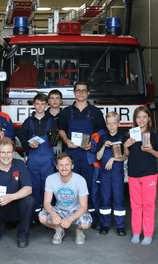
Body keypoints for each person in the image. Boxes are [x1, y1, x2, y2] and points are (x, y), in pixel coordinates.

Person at [58, 81, 106, 229]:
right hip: (70, 154)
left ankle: (91, 216)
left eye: (84, 91)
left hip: (87, 156)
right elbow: (60, 129)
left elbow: (102, 132)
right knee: (69, 185)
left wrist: (93, 144)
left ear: (88, 93)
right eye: (78, 90)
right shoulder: (66, 112)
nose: (81, 93)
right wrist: (66, 140)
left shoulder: (95, 112)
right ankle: (69, 215)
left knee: (89, 186)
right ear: (74, 92)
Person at [0, 137, 36, 248]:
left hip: (15, 206)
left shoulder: (20, 164)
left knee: (30, 200)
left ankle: (22, 236)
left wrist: (11, 197)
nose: (6, 156)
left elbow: (28, 188)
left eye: (9, 152)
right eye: (3, 152)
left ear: (13, 152)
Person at [124, 106, 158, 246]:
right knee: (135, 205)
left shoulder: (153, 136)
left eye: (144, 117)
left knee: (148, 205)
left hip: (149, 174)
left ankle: (148, 234)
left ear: (149, 119)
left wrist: (151, 150)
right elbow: (126, 155)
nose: (141, 119)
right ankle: (136, 232)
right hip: (133, 174)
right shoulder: (131, 135)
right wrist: (125, 146)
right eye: (138, 117)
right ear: (135, 119)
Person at [18, 93, 57, 219]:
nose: (40, 106)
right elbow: (22, 136)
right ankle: (34, 216)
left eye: (43, 104)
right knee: (34, 186)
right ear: (34, 105)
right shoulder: (28, 122)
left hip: (48, 159)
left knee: (48, 186)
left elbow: (55, 141)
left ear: (47, 105)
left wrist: (52, 138)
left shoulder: (51, 121)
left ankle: (48, 215)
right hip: (33, 158)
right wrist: (28, 145)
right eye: (38, 103)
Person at [39, 152, 92, 245]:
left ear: (72, 166)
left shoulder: (80, 180)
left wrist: (70, 219)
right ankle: (59, 229)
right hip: (59, 209)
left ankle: (79, 231)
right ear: (57, 167)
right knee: (42, 218)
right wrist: (53, 214)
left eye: (67, 165)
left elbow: (84, 206)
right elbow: (47, 202)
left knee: (85, 224)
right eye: (61, 165)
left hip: (76, 210)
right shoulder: (50, 179)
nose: (64, 168)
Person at [96, 112, 128, 236]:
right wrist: (103, 146)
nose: (111, 125)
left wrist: (113, 159)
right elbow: (98, 156)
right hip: (104, 174)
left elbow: (125, 156)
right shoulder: (103, 138)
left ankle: (120, 226)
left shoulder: (122, 137)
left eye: (114, 123)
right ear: (106, 125)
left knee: (118, 198)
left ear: (118, 124)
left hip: (117, 174)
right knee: (105, 198)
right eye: (109, 123)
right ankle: (105, 225)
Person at [46, 89, 64, 155]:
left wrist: (60, 142)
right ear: (48, 101)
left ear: (61, 101)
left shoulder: (66, 116)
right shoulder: (43, 116)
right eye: (52, 98)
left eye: (57, 98)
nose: (55, 100)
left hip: (63, 149)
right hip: (46, 149)